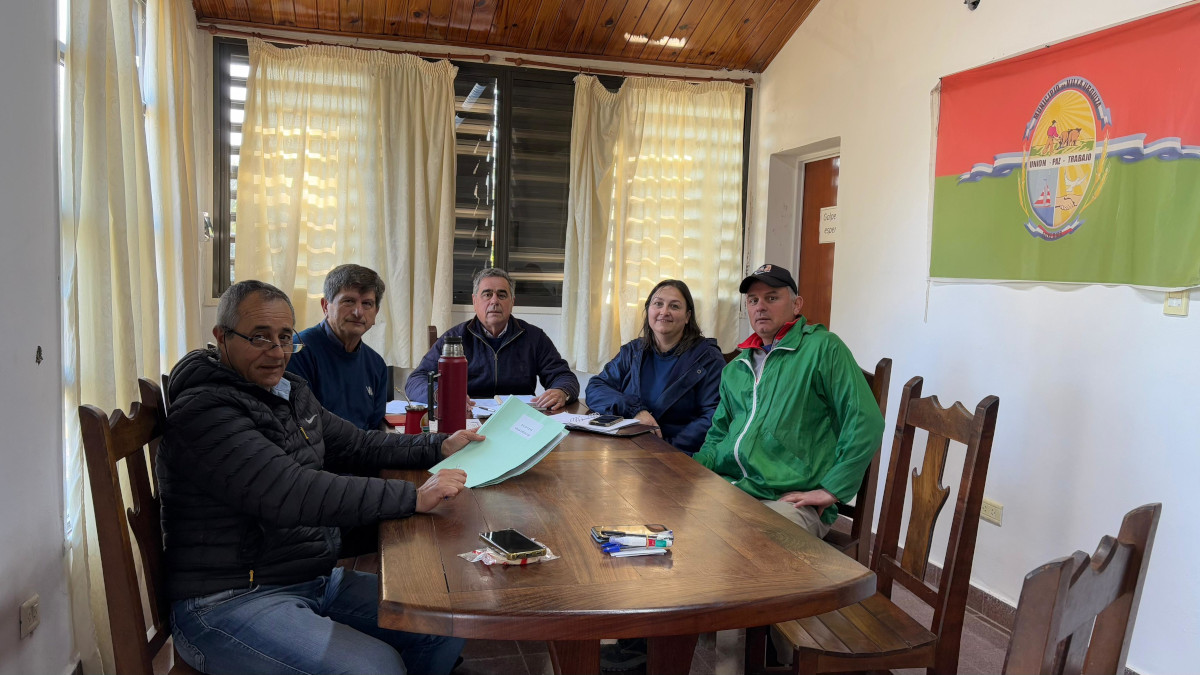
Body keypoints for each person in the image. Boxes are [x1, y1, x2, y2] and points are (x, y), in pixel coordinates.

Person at [158, 280, 482, 675]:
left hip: (305, 575)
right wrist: (413, 497)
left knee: (444, 622)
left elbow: (360, 443)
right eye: (259, 338)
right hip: (227, 599)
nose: (277, 353)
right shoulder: (206, 411)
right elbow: (293, 492)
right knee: (374, 668)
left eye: (284, 338)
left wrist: (440, 445)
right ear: (222, 337)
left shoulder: (288, 390)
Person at [694, 263, 885, 538]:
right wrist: (693, 470)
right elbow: (719, 433)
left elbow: (865, 420)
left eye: (772, 298)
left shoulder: (824, 348)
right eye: (753, 300)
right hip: (735, 487)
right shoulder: (735, 368)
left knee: (751, 544)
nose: (760, 306)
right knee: (677, 520)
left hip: (789, 500)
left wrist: (832, 489)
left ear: (797, 305)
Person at [404, 267, 579, 410]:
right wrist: (439, 393)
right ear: (474, 301)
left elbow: (563, 376)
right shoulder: (454, 338)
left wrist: (561, 391)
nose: (494, 301)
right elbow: (415, 380)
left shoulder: (534, 337)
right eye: (487, 294)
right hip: (466, 417)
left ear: (512, 301)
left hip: (518, 420)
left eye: (502, 295)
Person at [584, 279, 725, 455]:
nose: (664, 312)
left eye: (674, 306)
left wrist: (666, 449)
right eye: (658, 304)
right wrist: (636, 411)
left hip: (679, 456)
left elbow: (714, 416)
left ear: (688, 316)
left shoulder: (708, 358)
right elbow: (596, 387)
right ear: (648, 310)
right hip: (628, 450)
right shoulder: (633, 351)